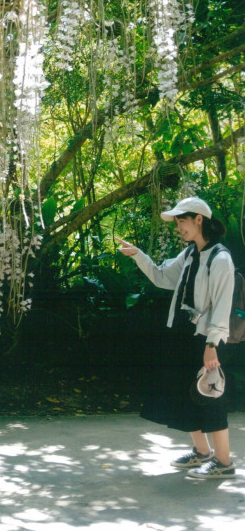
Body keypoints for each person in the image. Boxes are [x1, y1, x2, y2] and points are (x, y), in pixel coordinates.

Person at [118, 196, 236, 479]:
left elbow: (222, 305)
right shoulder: (190, 254)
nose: (178, 227)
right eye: (177, 222)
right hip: (182, 334)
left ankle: (224, 462)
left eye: (181, 220)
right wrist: (138, 255)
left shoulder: (220, 258)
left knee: (211, 396)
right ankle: (202, 453)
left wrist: (211, 345)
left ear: (198, 219)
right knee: (186, 394)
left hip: (207, 340)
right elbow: (161, 277)